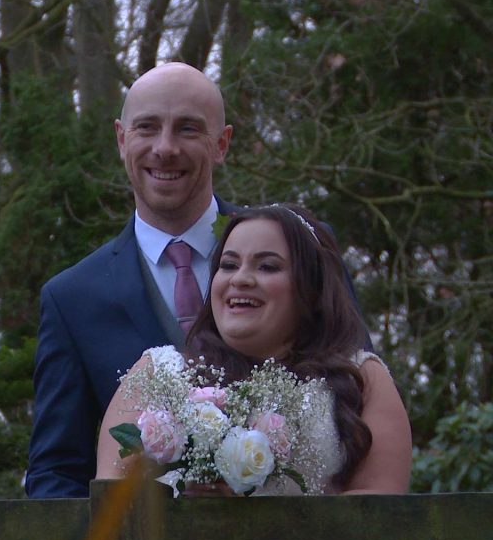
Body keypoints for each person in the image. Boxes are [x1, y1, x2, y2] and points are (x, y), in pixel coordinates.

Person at [25, 61, 238, 498]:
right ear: (122, 139)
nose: (165, 148)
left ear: (222, 144)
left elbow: (356, 418)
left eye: (188, 129)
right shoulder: (72, 299)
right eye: (147, 127)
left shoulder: (295, 254)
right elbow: (57, 474)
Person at [95, 204, 412, 496]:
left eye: (267, 267)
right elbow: (113, 505)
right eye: (229, 265)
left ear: (312, 288)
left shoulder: (361, 377)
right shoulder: (157, 373)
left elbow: (378, 512)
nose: (241, 279)